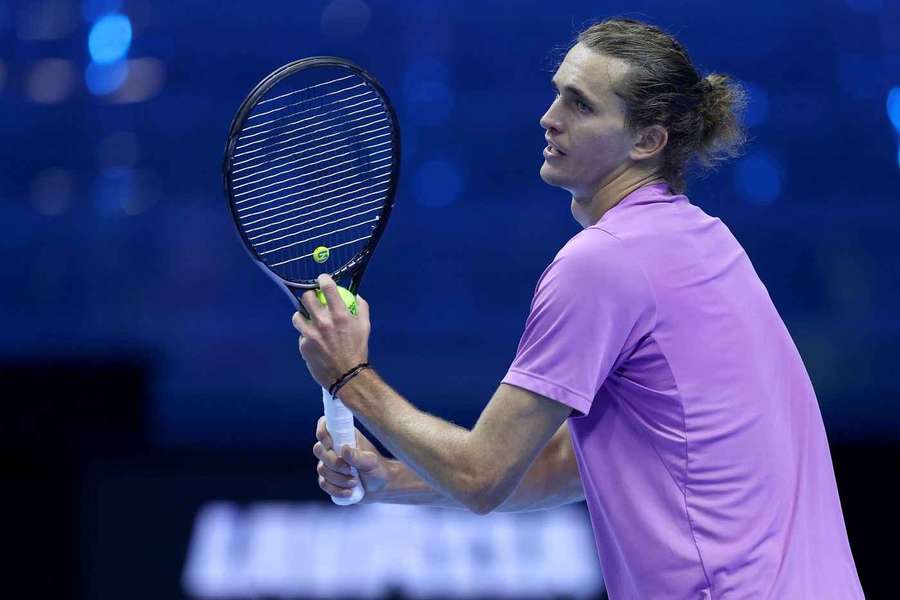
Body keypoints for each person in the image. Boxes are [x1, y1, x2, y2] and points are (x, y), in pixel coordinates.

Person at [293, 18, 864, 599]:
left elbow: (482, 475)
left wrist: (349, 374)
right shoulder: (705, 242)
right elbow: (568, 465)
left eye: (580, 104)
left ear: (647, 141)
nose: (550, 116)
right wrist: (392, 478)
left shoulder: (604, 263)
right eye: (557, 91)